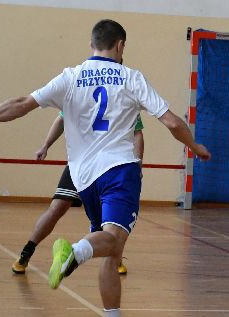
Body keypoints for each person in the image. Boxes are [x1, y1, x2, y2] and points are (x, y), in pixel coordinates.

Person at [0, 19, 211, 317]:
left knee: (111, 249)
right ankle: (73, 253)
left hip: (84, 178)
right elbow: (172, 122)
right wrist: (195, 146)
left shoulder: (70, 77)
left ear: (92, 45)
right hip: (119, 170)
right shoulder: (131, 77)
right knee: (112, 240)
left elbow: (21, 104)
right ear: (120, 45)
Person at [11, 113, 144, 276]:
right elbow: (61, 119)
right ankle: (26, 253)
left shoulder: (126, 101)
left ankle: (114, 257)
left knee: (110, 220)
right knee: (56, 208)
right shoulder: (79, 97)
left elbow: (137, 133)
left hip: (111, 166)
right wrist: (45, 145)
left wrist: (137, 164)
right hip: (82, 164)